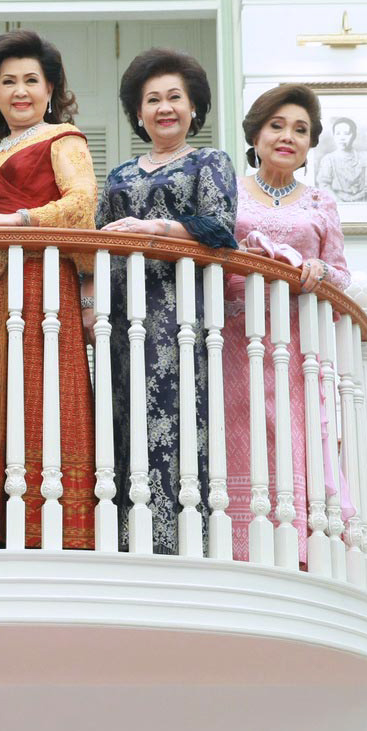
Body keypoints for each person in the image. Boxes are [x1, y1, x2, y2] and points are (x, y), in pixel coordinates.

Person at [0, 29, 97, 549]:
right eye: (7, 81)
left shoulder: (63, 138)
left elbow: (82, 206)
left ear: (51, 87)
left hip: (42, 281)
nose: (20, 91)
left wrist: (16, 218)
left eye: (31, 81)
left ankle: (51, 528)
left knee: (41, 395)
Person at [96, 49, 236, 556]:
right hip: (120, 316)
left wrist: (155, 229)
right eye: (151, 100)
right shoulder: (117, 176)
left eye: (174, 97)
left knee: (179, 420)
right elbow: (99, 243)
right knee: (121, 418)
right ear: (137, 113)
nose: (164, 108)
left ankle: (179, 544)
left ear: (193, 106)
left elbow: (220, 228)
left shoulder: (209, 162)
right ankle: (125, 539)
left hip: (179, 314)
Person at [222, 84, 355, 565]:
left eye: (300, 130)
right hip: (235, 339)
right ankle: (237, 547)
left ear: (309, 144)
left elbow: (341, 274)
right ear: (255, 134)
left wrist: (319, 272)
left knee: (292, 437)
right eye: (276, 126)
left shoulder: (320, 202)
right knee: (240, 431)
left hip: (296, 345)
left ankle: (295, 549)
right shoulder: (229, 190)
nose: (287, 137)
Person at [312, 116, 367, 202]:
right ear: (334, 136)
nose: (342, 137)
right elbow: (324, 185)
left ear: (353, 135)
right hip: (338, 203)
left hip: (365, 202)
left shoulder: (366, 158)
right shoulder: (329, 160)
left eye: (346, 133)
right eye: (338, 133)